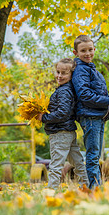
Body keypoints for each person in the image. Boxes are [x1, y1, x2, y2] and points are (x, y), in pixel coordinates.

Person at [72, 35, 109, 189]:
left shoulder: (91, 69)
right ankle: (94, 188)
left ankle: (95, 186)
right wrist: (107, 102)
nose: (88, 53)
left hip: (97, 116)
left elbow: (98, 94)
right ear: (75, 53)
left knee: (95, 155)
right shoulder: (80, 70)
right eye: (83, 50)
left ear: (94, 49)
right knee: (92, 156)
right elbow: (84, 95)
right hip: (90, 117)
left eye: (90, 49)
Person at [37, 58, 89, 189]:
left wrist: (44, 118)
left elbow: (62, 113)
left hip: (60, 133)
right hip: (68, 132)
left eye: (64, 73)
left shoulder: (64, 91)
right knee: (78, 163)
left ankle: (51, 191)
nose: (59, 76)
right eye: (58, 72)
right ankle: (87, 187)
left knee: (55, 165)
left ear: (72, 74)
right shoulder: (67, 89)